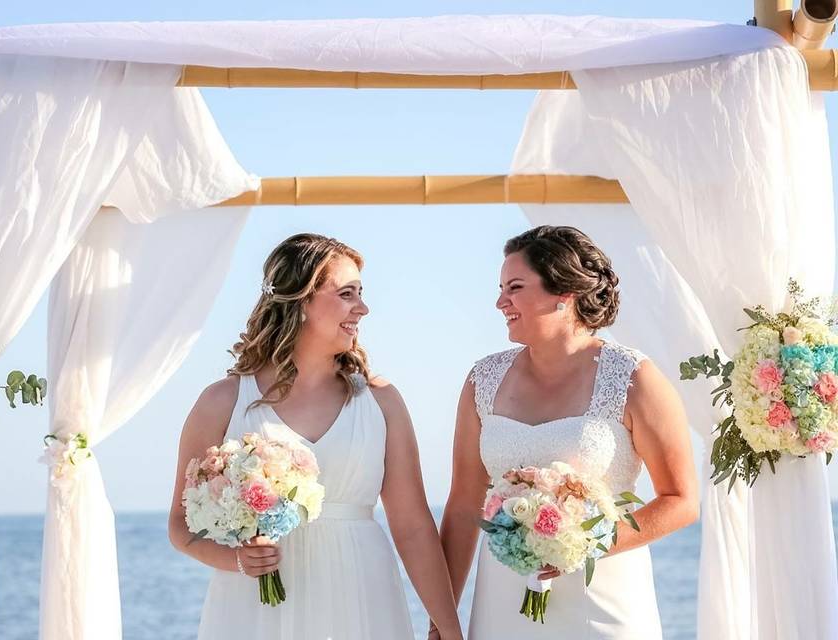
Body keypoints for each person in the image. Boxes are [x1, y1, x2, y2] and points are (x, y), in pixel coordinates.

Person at [169, 233, 463, 640]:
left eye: (360, 293)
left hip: (361, 596)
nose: (362, 308)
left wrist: (447, 627)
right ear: (302, 300)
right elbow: (181, 525)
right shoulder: (223, 402)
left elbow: (412, 526)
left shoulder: (381, 402)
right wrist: (235, 559)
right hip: (255, 609)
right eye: (347, 294)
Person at [438, 225, 698, 638]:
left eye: (515, 287)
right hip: (503, 602)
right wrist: (443, 614)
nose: (500, 301)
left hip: (602, 595)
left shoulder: (633, 378)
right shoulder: (482, 380)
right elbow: (464, 503)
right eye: (501, 288)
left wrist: (583, 544)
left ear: (564, 292)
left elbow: (681, 501)